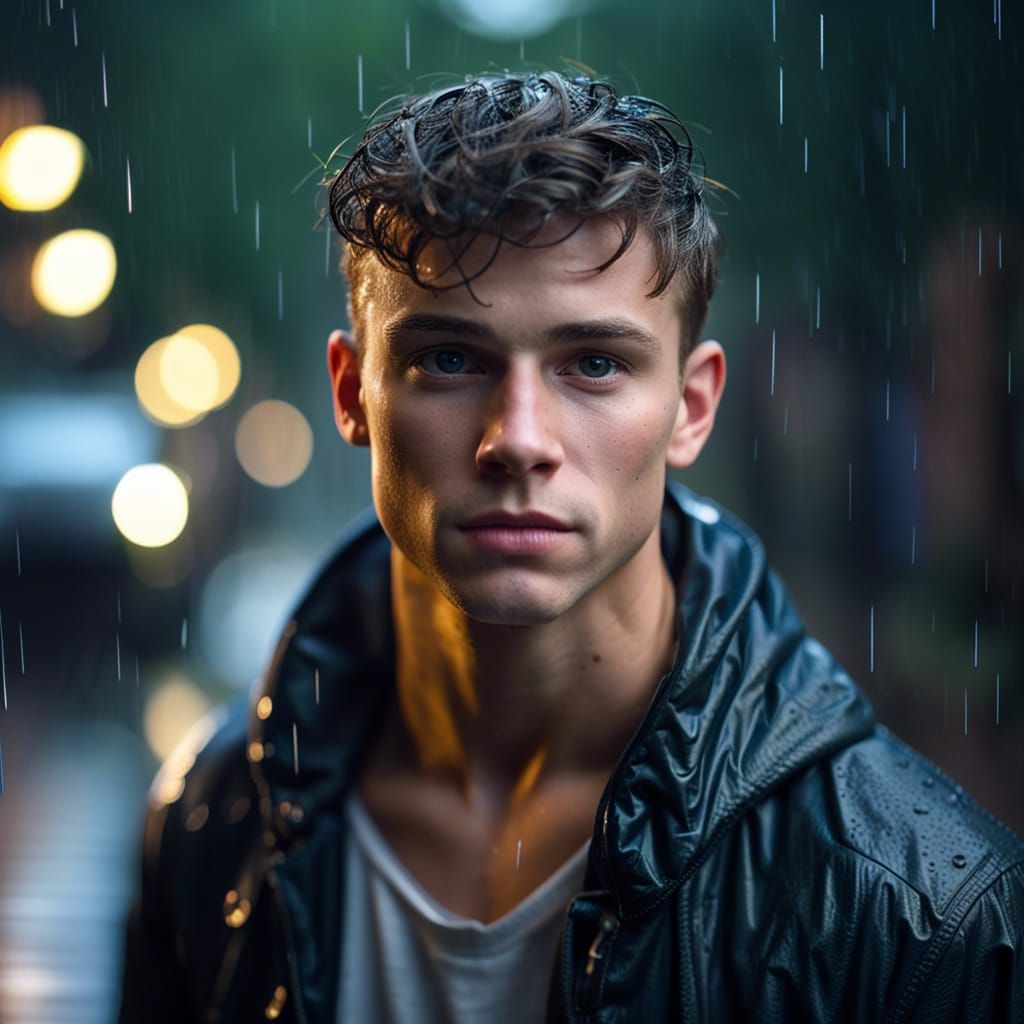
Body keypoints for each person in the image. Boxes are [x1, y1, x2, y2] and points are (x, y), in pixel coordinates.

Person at [118, 71, 1024, 1023]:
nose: (517, 438)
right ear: (352, 394)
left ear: (692, 406)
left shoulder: (920, 912)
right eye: (449, 359)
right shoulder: (212, 818)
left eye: (593, 363)